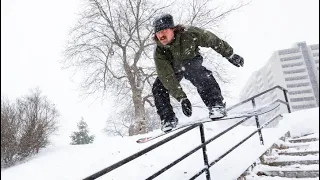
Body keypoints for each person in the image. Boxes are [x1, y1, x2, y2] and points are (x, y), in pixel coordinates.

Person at [152, 14, 244, 132]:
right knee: (158, 87)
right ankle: (168, 119)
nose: (161, 35)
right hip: (174, 69)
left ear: (173, 29)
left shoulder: (190, 34)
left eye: (164, 30)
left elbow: (212, 40)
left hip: (191, 61)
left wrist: (229, 54)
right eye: (158, 32)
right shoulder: (159, 52)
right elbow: (167, 77)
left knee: (193, 71)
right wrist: (182, 98)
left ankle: (216, 104)